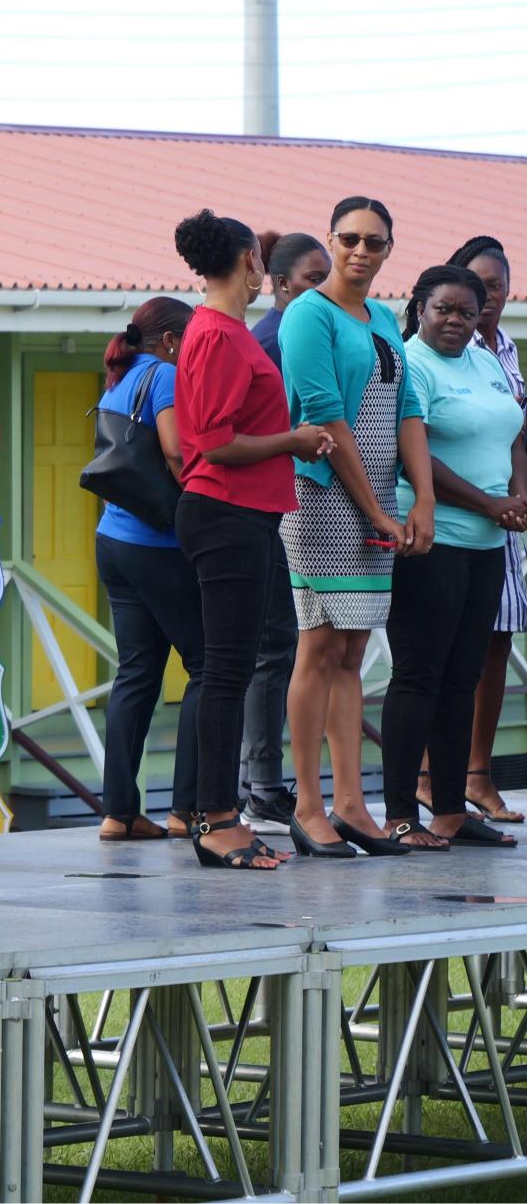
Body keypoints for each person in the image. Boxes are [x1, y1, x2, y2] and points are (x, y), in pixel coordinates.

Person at [170, 210, 334, 870]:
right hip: (224, 512)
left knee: (231, 668)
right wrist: (292, 440)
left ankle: (218, 814)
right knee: (226, 671)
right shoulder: (216, 333)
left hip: (247, 514)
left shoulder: (228, 330)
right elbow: (214, 443)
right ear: (248, 263)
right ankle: (216, 819)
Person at [277, 196, 434, 858]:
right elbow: (323, 413)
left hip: (380, 502)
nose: (360, 251)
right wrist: (375, 511)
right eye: (349, 239)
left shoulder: (383, 318)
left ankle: (350, 803)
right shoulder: (308, 314)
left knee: (352, 653)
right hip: (321, 500)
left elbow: (408, 408)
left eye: (374, 242)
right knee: (319, 648)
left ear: (389, 248)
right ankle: (307, 806)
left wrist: (422, 499)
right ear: (332, 240)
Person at [381, 265, 524, 851]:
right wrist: (490, 504)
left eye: (467, 311)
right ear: (420, 307)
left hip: (489, 545)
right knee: (419, 675)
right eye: (444, 308)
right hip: (430, 542)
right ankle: (399, 814)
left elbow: (514, 432)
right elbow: (412, 452)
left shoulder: (485, 361)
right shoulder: (411, 364)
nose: (456, 321)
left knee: (462, 679)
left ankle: (449, 810)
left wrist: (517, 497)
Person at [89, 298, 202, 843]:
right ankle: (187, 808)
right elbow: (176, 452)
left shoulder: (120, 376)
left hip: (113, 539)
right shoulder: (165, 376)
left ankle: (118, 813)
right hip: (158, 542)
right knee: (207, 666)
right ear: (172, 340)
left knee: (136, 673)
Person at [240, 231, 330, 832]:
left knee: (289, 646)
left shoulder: (300, 331)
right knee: (274, 648)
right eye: (311, 280)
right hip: (279, 506)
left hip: (288, 502)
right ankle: (264, 785)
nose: (322, 291)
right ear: (278, 284)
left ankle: (262, 782)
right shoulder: (275, 339)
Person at [449, 237, 527, 824]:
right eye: (478, 286)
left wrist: (518, 497)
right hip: (459, 512)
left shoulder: (506, 348)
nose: (487, 297)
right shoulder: (449, 343)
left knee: (498, 640)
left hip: (507, 518)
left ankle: (478, 772)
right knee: (451, 647)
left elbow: (516, 431)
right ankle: (434, 774)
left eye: (496, 286)